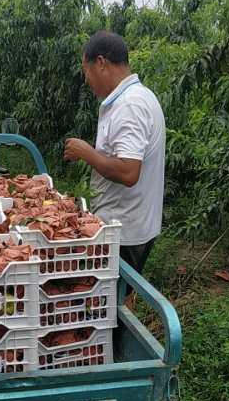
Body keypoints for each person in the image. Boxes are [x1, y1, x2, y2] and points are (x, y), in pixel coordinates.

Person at [64, 30, 165, 279]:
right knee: (112, 301)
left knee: (109, 305)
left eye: (86, 70)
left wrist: (87, 153)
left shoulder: (130, 105)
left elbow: (129, 172)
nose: (86, 80)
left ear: (101, 63)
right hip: (124, 224)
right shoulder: (135, 97)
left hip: (125, 231)